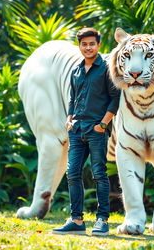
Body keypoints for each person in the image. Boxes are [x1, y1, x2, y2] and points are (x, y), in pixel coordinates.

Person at [52, 28, 120, 236]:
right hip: (76, 130)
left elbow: (116, 98)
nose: (88, 47)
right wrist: (69, 119)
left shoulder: (107, 69)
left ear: (98, 45)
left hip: (96, 130)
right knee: (72, 173)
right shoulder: (76, 71)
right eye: (84, 44)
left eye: (92, 44)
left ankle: (102, 220)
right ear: (79, 46)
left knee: (99, 174)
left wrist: (103, 124)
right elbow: (72, 98)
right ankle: (77, 220)